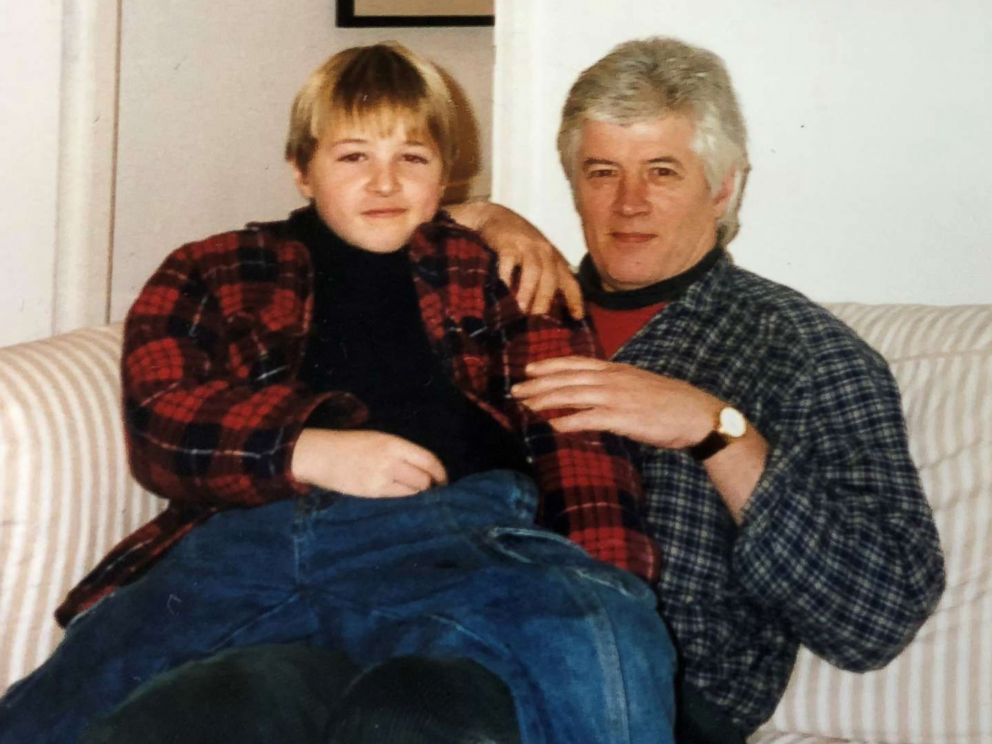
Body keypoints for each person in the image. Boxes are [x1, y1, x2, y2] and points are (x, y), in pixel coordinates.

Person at [0, 42, 677, 744]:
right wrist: (302, 448)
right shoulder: (214, 268)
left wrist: (597, 579)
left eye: (411, 158)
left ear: (445, 171)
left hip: (449, 540)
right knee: (71, 694)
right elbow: (159, 418)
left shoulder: (501, 273)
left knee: (604, 625)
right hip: (248, 543)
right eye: (353, 157)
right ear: (301, 169)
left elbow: (578, 439)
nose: (384, 184)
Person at [455, 36, 945, 742]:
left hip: (654, 693)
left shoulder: (803, 352)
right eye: (602, 172)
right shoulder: (511, 306)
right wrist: (477, 217)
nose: (628, 203)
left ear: (723, 187)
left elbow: (876, 615)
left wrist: (716, 431)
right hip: (455, 639)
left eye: (662, 171)